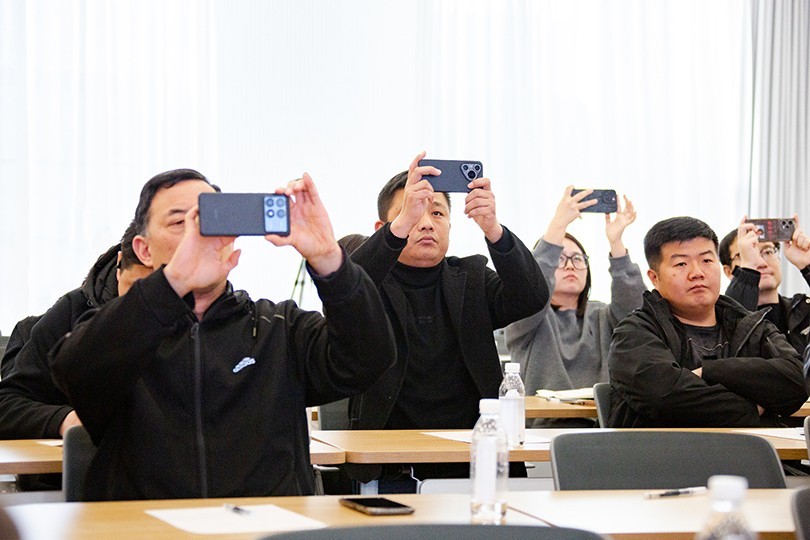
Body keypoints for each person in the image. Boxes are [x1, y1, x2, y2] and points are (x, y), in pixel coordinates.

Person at [50, 168, 395, 501]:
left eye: (209, 220)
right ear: (144, 250)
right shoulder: (122, 333)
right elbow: (75, 373)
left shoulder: (279, 327)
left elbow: (368, 359)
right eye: (179, 223)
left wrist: (328, 257)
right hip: (149, 527)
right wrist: (173, 281)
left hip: (265, 526)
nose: (197, 234)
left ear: (230, 240)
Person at [345, 152, 548, 489]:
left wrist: (494, 230)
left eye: (437, 213)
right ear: (384, 228)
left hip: (476, 456)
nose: (426, 223)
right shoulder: (371, 282)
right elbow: (344, 294)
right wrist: (399, 229)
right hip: (392, 462)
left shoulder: (471, 277)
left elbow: (531, 296)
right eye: (413, 212)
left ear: (450, 225)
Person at [608, 216, 807, 428]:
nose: (697, 273)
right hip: (665, 449)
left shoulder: (749, 324)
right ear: (654, 278)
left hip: (748, 448)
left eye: (707, 261)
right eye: (681, 263)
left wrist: (710, 371)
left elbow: (798, 379)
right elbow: (665, 397)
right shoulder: (635, 332)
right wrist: (752, 407)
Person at [505, 187, 646, 427]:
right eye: (560, 259)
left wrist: (616, 243)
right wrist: (558, 225)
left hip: (603, 427)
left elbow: (637, 310)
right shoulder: (526, 320)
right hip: (543, 430)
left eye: (578, 259)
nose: (570, 266)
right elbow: (529, 286)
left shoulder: (602, 315)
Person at [0, 221, 150, 441]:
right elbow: (6, 405)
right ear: (119, 265)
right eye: (136, 289)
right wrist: (67, 420)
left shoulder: (200, 318)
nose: (148, 304)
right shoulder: (72, 313)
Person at [719, 216, 810, 354]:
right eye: (747, 254)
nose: (761, 262)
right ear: (728, 271)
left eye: (767, 252)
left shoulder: (804, 309)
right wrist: (748, 270)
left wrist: (807, 266)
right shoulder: (719, 319)